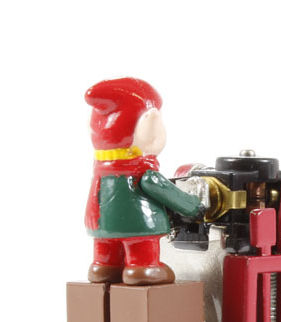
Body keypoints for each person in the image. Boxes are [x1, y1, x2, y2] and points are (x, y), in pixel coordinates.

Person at [84, 77, 202, 285]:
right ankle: (143, 268)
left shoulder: (101, 174)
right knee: (140, 246)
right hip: (141, 225)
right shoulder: (144, 172)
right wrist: (193, 206)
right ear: (150, 121)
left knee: (106, 247)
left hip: (102, 225)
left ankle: (103, 267)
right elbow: (160, 188)